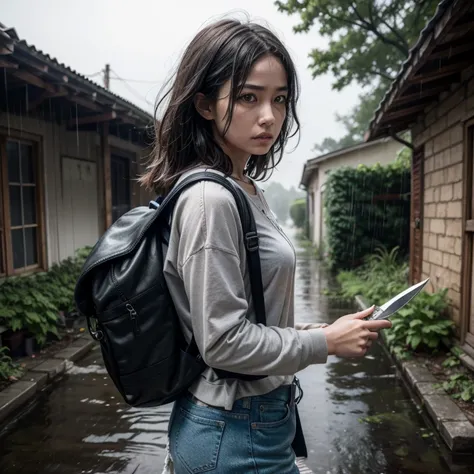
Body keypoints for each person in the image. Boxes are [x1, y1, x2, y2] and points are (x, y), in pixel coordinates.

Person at [140, 17, 392, 474]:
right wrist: (324, 344)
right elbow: (223, 343)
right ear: (203, 104)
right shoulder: (209, 199)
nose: (269, 117)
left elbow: (254, 317)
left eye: (279, 99)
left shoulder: (245, 189)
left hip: (258, 422)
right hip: (233, 432)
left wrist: (323, 329)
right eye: (247, 97)